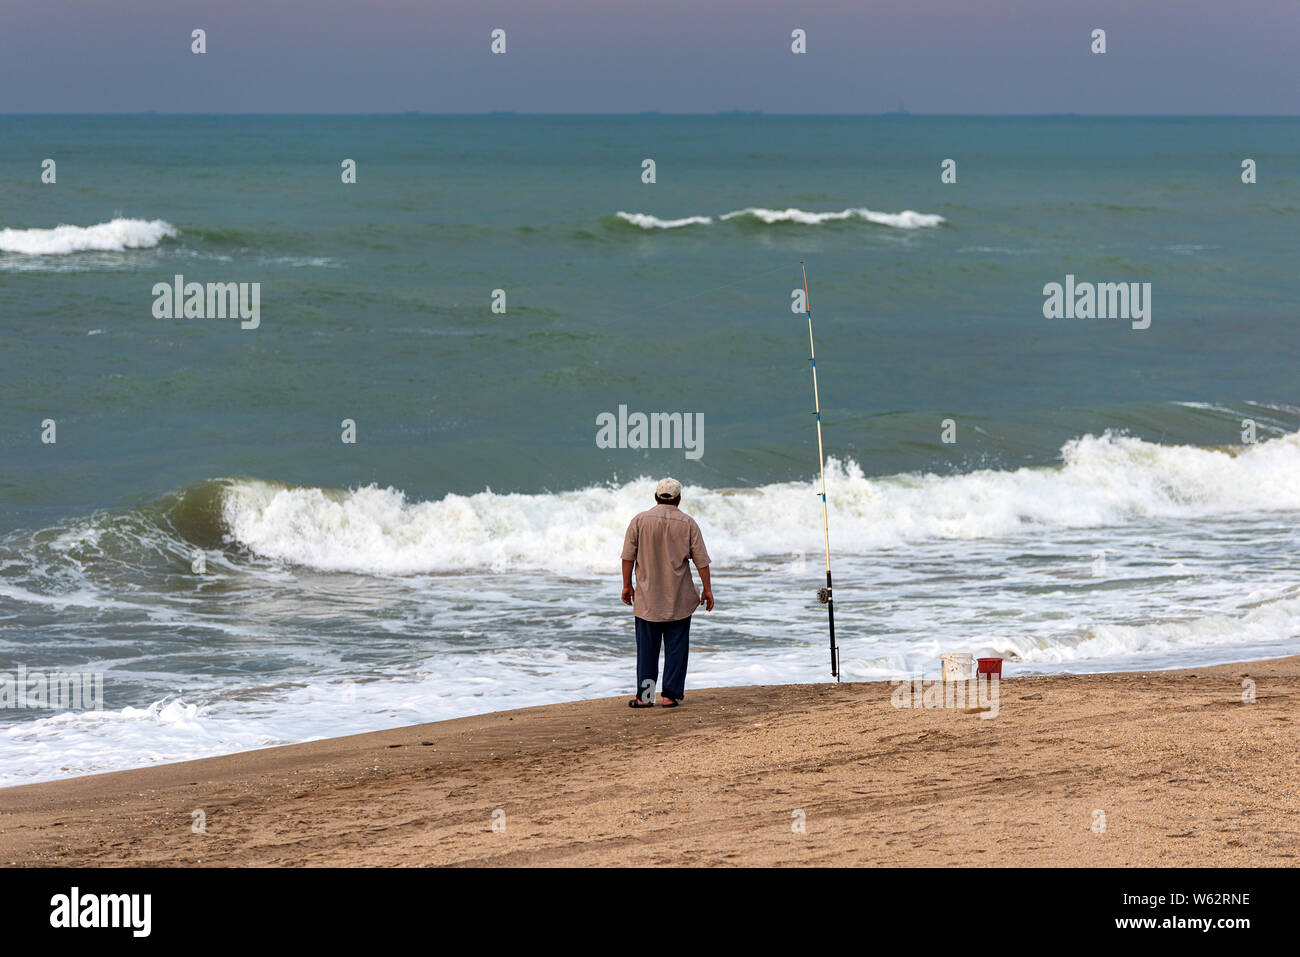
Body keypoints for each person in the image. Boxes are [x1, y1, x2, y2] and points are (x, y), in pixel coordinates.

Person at [620, 477, 714, 708]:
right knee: (676, 648)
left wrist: (626, 585)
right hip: (679, 598)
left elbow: (627, 557)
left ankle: (645, 697)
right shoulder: (688, 523)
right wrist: (708, 590)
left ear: (655, 496)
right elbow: (701, 561)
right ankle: (669, 695)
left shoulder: (640, 520)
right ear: (679, 499)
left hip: (647, 598)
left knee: (648, 650)